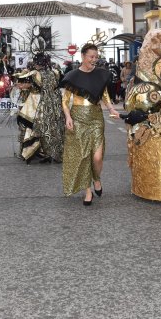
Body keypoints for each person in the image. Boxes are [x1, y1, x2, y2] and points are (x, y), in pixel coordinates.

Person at [60, 43, 120, 205]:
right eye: (91, 57)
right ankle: (88, 191)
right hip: (78, 117)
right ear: (83, 57)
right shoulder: (72, 76)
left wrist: (111, 109)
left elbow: (105, 95)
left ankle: (97, 179)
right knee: (83, 156)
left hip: (95, 117)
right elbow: (65, 101)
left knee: (97, 157)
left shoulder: (101, 75)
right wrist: (68, 117)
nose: (94, 60)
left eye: (96, 57)